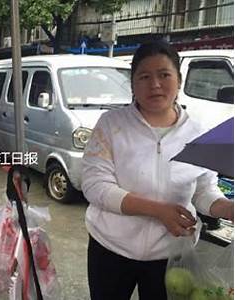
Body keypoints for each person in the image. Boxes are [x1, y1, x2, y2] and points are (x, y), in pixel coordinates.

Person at [81, 40, 233, 300]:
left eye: (164, 74)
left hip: (171, 256)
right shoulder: (111, 124)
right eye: (144, 76)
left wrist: (228, 208)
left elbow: (204, 190)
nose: (155, 85)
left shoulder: (198, 132)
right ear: (133, 84)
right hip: (111, 249)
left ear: (179, 80)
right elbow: (95, 185)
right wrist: (158, 210)